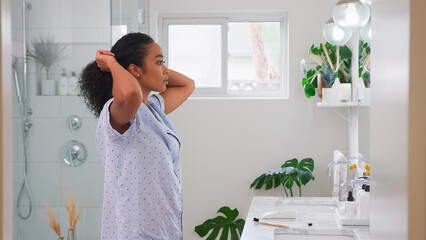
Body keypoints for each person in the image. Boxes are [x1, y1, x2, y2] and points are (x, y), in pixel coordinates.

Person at [78, 32, 195, 240]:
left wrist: (156, 68)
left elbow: (188, 84)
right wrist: (113, 64)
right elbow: (132, 94)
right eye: (159, 62)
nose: (166, 70)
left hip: (165, 227)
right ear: (134, 69)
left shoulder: (154, 109)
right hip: (134, 232)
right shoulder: (119, 112)